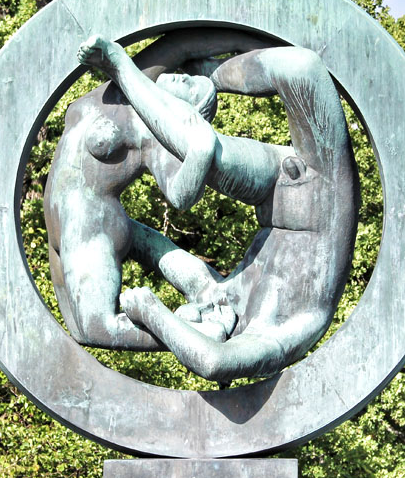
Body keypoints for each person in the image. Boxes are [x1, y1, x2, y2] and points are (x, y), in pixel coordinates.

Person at [76, 35, 359, 385]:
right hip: (316, 191)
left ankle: (125, 68)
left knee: (204, 156)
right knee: (301, 70)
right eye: (200, 321)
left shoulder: (225, 304)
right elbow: (215, 363)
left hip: (284, 194)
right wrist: (151, 311)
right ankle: (161, 71)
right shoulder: (286, 331)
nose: (199, 314)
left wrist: (101, 221)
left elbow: (164, 256)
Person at [44, 30, 265, 350]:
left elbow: (181, 195)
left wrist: (201, 149)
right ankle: (209, 293)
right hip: (59, 223)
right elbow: (182, 43)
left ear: (181, 112)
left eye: (188, 86)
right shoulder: (130, 80)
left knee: (96, 329)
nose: (180, 79)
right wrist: (263, 48)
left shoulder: (154, 138)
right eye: (186, 76)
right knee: (79, 332)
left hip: (91, 223)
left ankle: (196, 332)